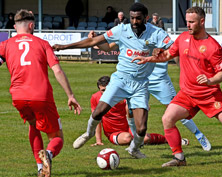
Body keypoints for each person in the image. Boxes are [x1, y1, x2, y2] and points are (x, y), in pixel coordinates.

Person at [132, 6, 222, 167]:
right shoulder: (183, 38)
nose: (188, 25)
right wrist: (149, 58)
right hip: (187, 94)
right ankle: (179, 159)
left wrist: (209, 80)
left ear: (202, 22)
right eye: (187, 21)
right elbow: (167, 55)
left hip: (209, 94)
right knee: (167, 119)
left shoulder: (213, 46)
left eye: (191, 22)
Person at [53, 2, 173, 159]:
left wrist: (162, 51)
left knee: (142, 128)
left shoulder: (156, 33)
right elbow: (93, 42)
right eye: (132, 18)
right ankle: (88, 133)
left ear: (146, 18)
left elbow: (174, 49)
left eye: (138, 18)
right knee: (98, 112)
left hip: (141, 83)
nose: (135, 22)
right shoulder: (122, 29)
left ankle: (134, 149)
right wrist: (64, 47)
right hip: (121, 79)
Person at [87, 30, 211, 151]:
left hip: (158, 80)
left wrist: (185, 70)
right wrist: (96, 39)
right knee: (131, 110)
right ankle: (136, 144)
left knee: (178, 110)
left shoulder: (159, 34)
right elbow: (108, 46)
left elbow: (175, 51)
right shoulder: (128, 32)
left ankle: (198, 135)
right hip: (135, 80)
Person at [0, 9, 82, 177]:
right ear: (31, 25)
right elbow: (57, 71)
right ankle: (49, 154)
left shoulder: (5, 44)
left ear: (15, 27)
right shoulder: (41, 43)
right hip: (41, 96)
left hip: (18, 97)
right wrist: (70, 96)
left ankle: (40, 169)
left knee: (33, 126)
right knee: (57, 137)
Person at [91, 76, 189, 146]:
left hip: (130, 128)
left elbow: (143, 108)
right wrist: (98, 140)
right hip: (113, 133)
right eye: (103, 90)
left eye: (108, 89)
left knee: (145, 138)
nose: (106, 92)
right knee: (127, 138)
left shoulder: (123, 95)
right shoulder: (96, 98)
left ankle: (170, 140)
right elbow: (97, 121)